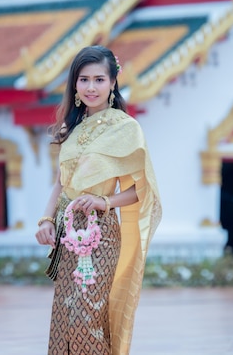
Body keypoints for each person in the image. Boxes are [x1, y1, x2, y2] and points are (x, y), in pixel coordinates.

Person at [35, 45, 162, 355]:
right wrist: (46, 220)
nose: (91, 88)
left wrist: (104, 203)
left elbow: (141, 191)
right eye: (84, 80)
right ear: (75, 85)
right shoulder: (70, 128)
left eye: (99, 80)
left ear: (113, 83)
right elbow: (60, 183)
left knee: (86, 314)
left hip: (101, 234)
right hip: (67, 233)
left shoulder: (126, 129)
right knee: (65, 315)